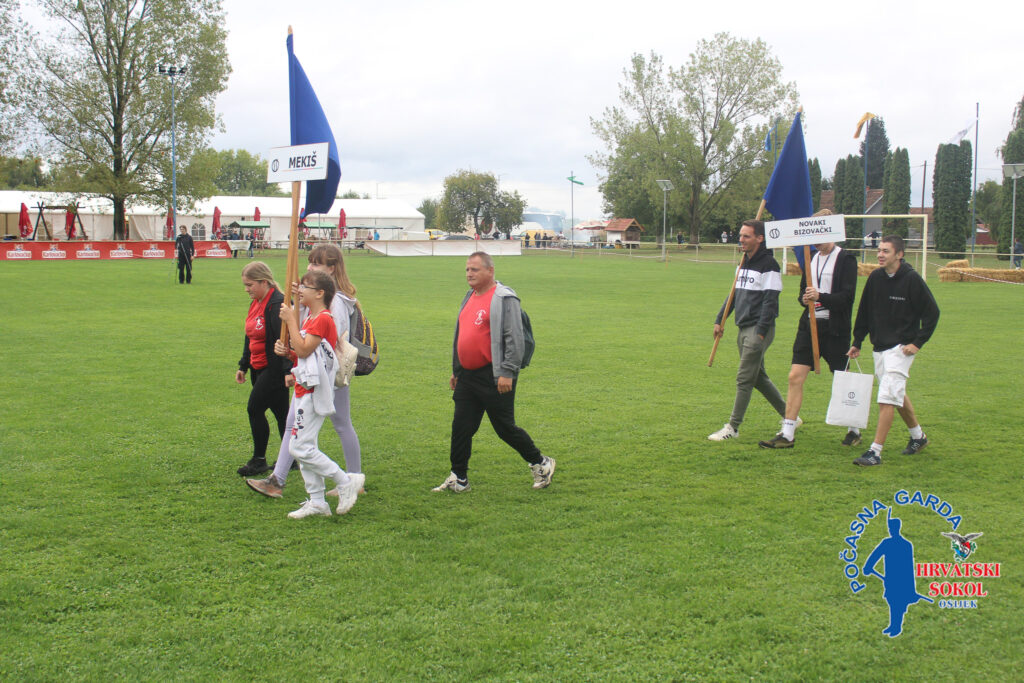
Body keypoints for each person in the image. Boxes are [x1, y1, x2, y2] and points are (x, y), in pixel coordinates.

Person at [246, 244, 364, 500]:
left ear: (331, 269)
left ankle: (350, 480)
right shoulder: (317, 300)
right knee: (304, 425)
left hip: (323, 376)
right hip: (312, 373)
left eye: (316, 263)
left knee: (332, 425)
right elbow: (304, 331)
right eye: (310, 262)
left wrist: (295, 351)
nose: (309, 267)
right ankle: (279, 479)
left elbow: (322, 341)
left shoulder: (335, 303)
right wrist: (298, 307)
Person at [432, 251, 554, 492]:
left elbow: (514, 338)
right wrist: (457, 370)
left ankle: (541, 463)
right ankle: (459, 478)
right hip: (467, 376)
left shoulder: (505, 298)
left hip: (494, 375)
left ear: (490, 270)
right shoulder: (470, 295)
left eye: (474, 269)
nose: (469, 274)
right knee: (461, 427)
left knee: (505, 428)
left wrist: (507, 372)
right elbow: (462, 335)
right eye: (467, 269)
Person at [759, 220, 861, 448]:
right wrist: (805, 299)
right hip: (809, 326)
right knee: (795, 376)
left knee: (842, 379)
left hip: (835, 330)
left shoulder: (846, 259)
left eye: (820, 236)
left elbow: (847, 298)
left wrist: (820, 296)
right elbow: (802, 294)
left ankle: (854, 429)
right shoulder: (810, 257)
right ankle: (787, 433)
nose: (816, 242)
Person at [275, 269, 364, 518]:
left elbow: (304, 349)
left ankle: (345, 482)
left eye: (306, 286)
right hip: (304, 386)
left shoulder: (323, 319)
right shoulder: (311, 319)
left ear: (320, 293)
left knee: (300, 447)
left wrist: (291, 322)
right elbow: (305, 355)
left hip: (313, 391)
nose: (300, 290)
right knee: (304, 445)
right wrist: (287, 353)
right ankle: (317, 501)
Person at [849, 235, 940, 467]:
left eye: (885, 251)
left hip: (901, 350)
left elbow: (932, 313)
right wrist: (857, 341)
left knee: (886, 399)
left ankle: (875, 452)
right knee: (895, 395)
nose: (880, 255)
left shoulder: (912, 279)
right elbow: (864, 311)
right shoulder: (875, 277)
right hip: (879, 347)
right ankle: (918, 437)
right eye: (879, 250)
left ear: (899, 254)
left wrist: (917, 343)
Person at [709, 220, 787, 441]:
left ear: (760, 238)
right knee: (758, 377)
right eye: (741, 235)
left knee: (744, 378)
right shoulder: (743, 261)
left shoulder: (769, 264)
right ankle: (790, 416)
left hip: (758, 329)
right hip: (742, 327)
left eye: (746, 236)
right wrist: (720, 319)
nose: (741, 240)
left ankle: (733, 427)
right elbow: (733, 294)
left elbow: (770, 301)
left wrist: (761, 332)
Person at [235, 262, 291, 476]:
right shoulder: (256, 302)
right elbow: (249, 335)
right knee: (282, 414)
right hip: (258, 366)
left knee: (254, 408)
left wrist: (287, 371)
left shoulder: (277, 304)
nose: (246, 289)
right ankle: (291, 457)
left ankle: (259, 460)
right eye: (245, 285)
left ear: (264, 282)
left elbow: (284, 340)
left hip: (274, 368)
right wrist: (244, 365)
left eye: (250, 285)